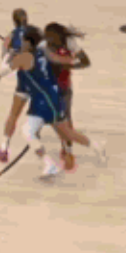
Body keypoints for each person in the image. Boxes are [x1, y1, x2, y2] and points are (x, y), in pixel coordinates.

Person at [0, 26, 105, 178]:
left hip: (46, 101)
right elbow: (63, 61)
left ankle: (57, 161)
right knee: (52, 132)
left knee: (57, 133)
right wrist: (68, 64)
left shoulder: (25, 57)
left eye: (24, 41)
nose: (22, 43)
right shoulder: (45, 53)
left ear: (29, 43)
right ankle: (89, 148)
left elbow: (4, 70)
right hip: (48, 97)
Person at [44, 23, 90, 172]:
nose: (47, 38)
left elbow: (86, 62)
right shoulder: (45, 46)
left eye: (49, 36)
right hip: (49, 88)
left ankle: (68, 151)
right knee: (55, 121)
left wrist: (70, 67)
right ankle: (66, 147)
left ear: (57, 35)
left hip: (63, 87)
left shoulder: (70, 43)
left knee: (65, 120)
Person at [0, 8, 29, 163]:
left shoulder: (10, 37)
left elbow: (6, 62)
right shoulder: (36, 34)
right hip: (43, 81)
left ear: (14, 21)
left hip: (26, 82)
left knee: (13, 115)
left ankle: (4, 150)